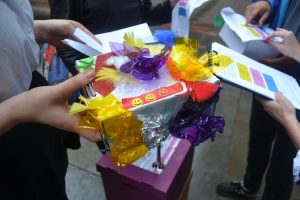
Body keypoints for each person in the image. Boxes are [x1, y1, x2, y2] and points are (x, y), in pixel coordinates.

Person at [0, 1, 101, 199]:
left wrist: (37, 30)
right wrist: (15, 111)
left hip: (35, 102)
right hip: (9, 135)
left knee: (52, 180)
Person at [217, 1, 300, 199]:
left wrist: (297, 55)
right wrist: (268, 4)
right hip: (271, 71)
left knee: (285, 161)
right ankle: (249, 184)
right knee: (258, 134)